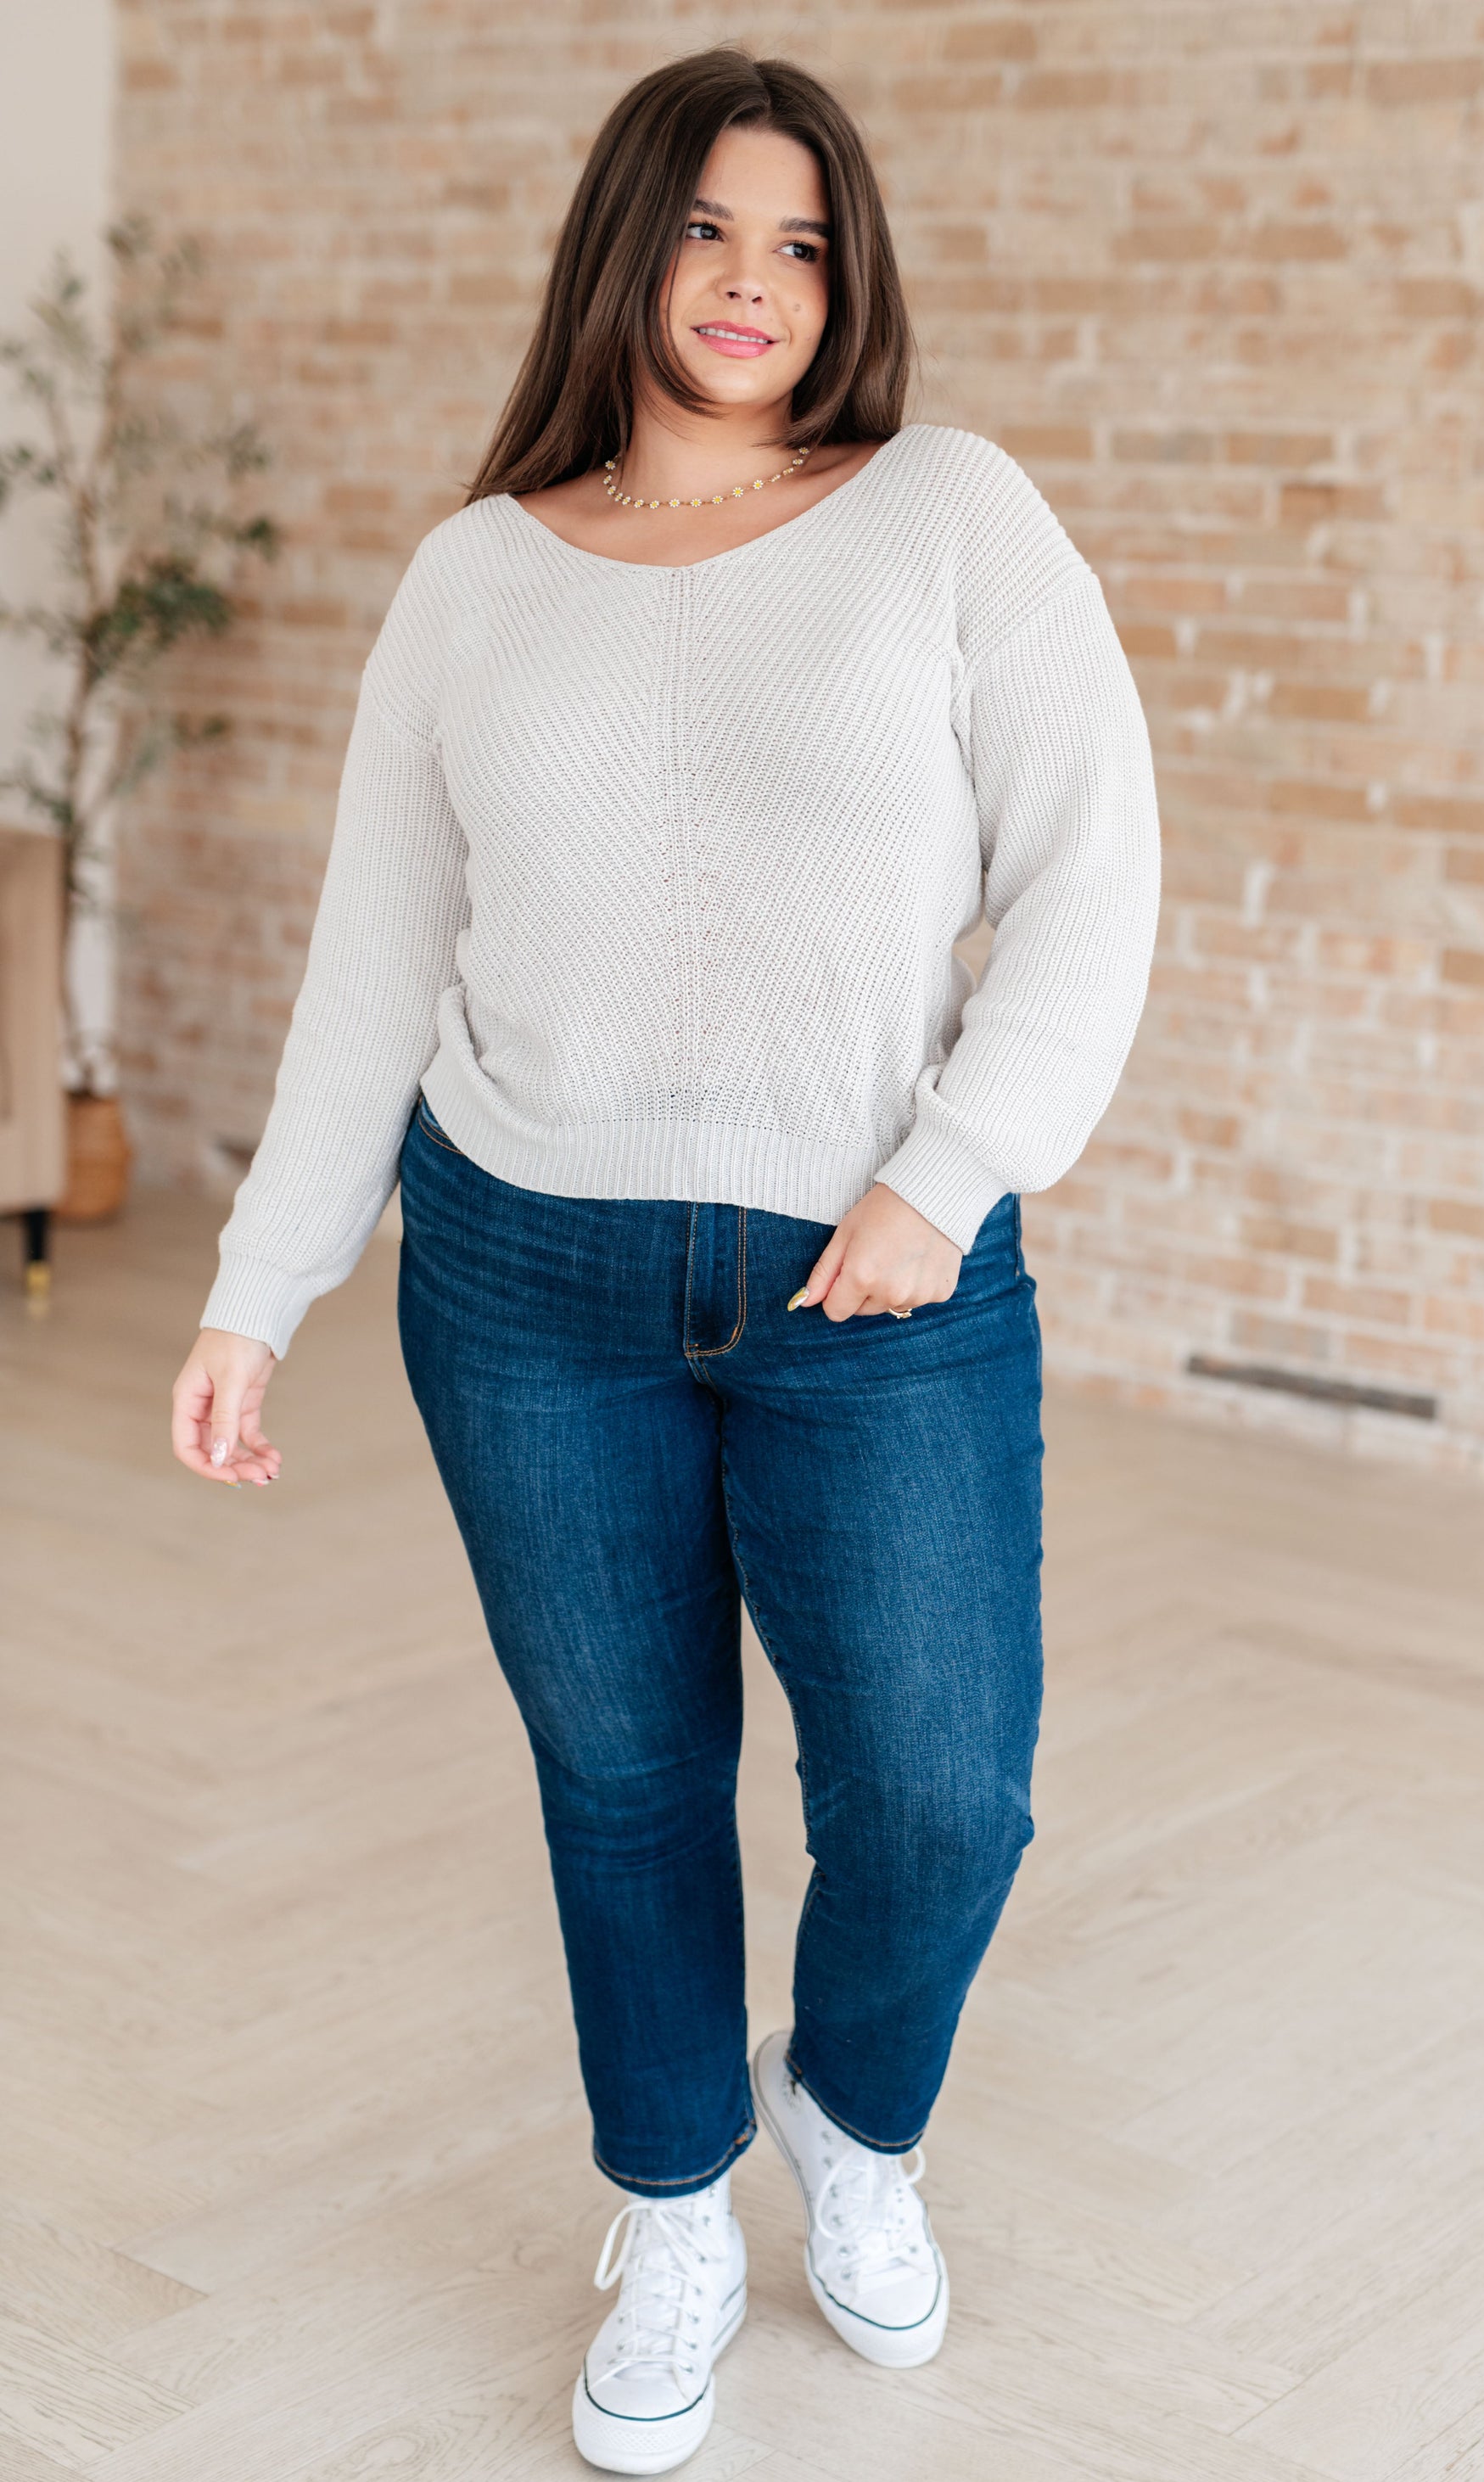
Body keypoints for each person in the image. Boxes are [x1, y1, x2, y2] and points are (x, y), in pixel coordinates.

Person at [169, 45, 1160, 2477]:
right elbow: (375, 962)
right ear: (628, 244)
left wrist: (949, 1172)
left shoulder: (947, 513)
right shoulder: (478, 572)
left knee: (939, 1796)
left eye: (803, 241)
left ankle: (846, 2118)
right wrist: (254, 1284)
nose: (753, 282)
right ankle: (671, 2208)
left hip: (878, 1283)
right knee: (623, 1783)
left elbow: (1094, 870)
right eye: (712, 229)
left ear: (851, 280)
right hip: (522, 1281)